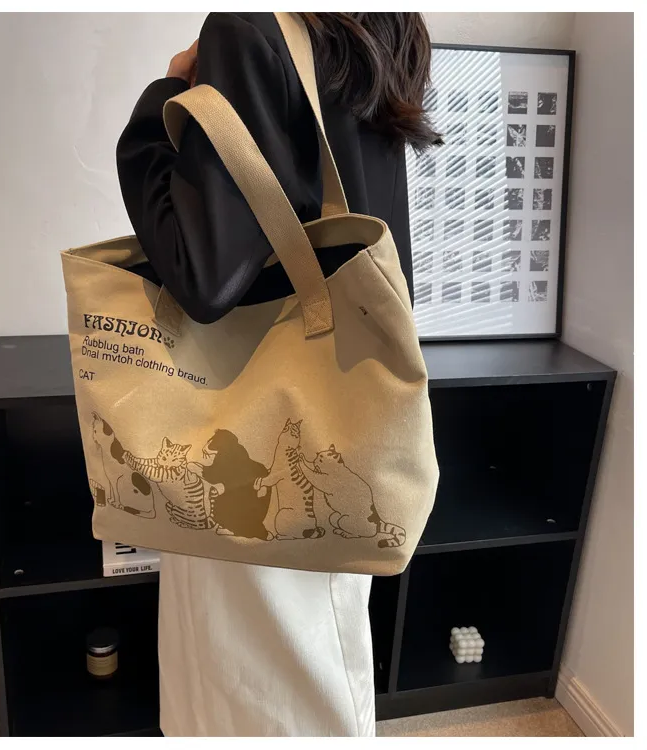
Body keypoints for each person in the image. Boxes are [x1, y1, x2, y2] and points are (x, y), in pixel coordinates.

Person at [116, 12, 440, 737]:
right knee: (322, 659)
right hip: (342, 405)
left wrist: (162, 99)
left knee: (250, 685)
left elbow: (203, 275)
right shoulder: (380, 27)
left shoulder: (247, 28)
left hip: (250, 423)